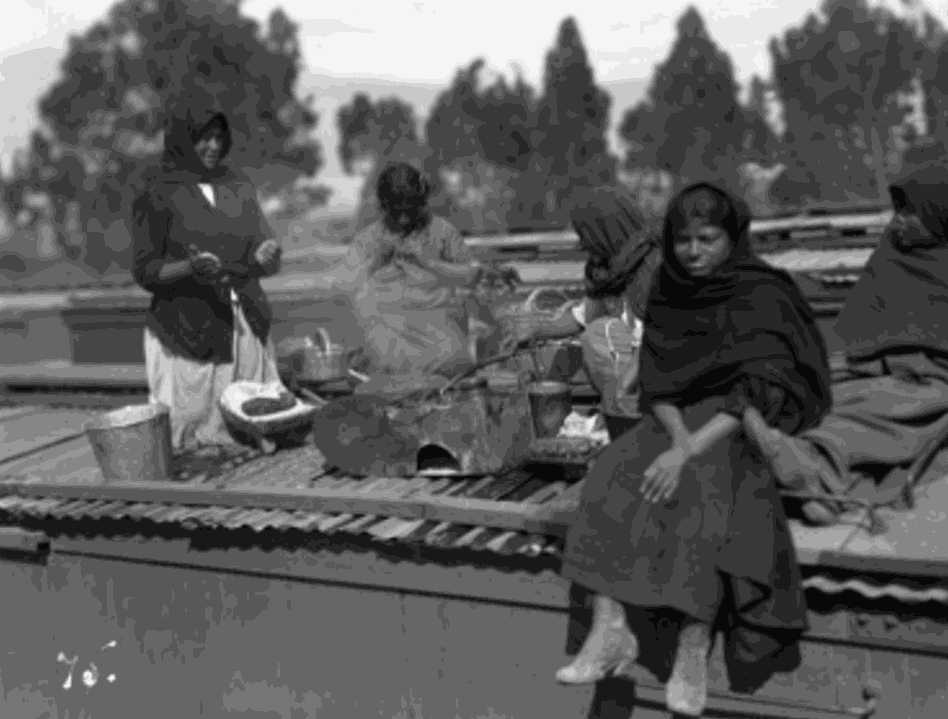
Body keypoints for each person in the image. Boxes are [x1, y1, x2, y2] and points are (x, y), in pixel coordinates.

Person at [556, 182, 832, 716]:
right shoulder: (670, 286)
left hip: (741, 421)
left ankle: (693, 643)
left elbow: (760, 390)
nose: (693, 251)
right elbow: (660, 378)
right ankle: (610, 629)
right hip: (678, 417)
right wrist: (677, 440)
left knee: (705, 490)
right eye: (683, 240)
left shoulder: (761, 291)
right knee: (612, 468)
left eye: (707, 239)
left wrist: (686, 453)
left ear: (732, 237)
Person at [744, 161, 948, 524]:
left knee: (885, 412)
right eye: (897, 210)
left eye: (909, 213)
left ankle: (812, 465)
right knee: (818, 389)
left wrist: (912, 365)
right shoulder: (896, 249)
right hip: (873, 362)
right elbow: (865, 325)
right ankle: (808, 474)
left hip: (947, 377)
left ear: (941, 220)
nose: (897, 220)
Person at [132, 92, 283, 452]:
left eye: (218, 138)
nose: (213, 146)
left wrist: (267, 255)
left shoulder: (238, 186)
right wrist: (189, 267)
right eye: (203, 138)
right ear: (183, 138)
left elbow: (262, 254)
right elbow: (146, 271)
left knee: (252, 419)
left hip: (244, 322)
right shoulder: (157, 192)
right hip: (188, 329)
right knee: (190, 432)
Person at [327, 163, 510, 394]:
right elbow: (341, 290)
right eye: (397, 212)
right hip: (389, 335)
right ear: (383, 207)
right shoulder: (369, 239)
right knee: (380, 359)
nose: (404, 220)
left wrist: (428, 262)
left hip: (438, 334)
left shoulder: (442, 233)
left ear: (422, 202)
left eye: (411, 210)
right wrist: (376, 260)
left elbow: (471, 276)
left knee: (452, 360)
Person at [522, 186, 662, 441]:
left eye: (584, 234)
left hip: (657, 369)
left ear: (602, 232)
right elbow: (582, 316)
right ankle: (618, 416)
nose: (581, 244)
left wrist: (624, 385)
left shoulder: (655, 268)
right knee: (597, 333)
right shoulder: (605, 270)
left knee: (600, 333)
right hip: (629, 372)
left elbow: (660, 336)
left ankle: (631, 421)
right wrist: (531, 329)